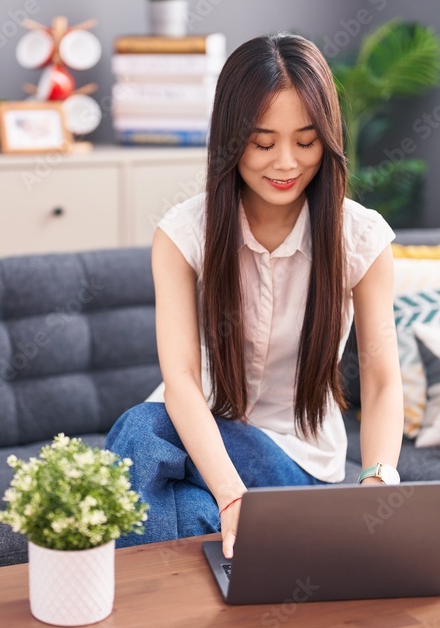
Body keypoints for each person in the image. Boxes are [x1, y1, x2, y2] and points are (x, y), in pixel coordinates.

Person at [105, 33, 403, 559]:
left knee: (137, 436)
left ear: (328, 140)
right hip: (200, 450)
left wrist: (378, 481)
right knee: (166, 481)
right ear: (230, 139)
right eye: (263, 143)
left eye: (306, 142)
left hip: (296, 465)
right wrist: (229, 496)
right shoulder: (183, 234)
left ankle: (151, 618)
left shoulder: (361, 238)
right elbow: (181, 381)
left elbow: (381, 381)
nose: (285, 163)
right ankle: (269, 548)